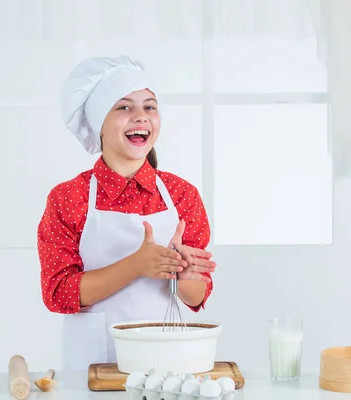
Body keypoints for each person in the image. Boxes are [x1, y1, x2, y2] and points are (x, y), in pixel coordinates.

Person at [37, 55, 216, 371]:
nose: (140, 116)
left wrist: (185, 275)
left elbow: (195, 296)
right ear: (98, 124)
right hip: (93, 367)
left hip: (166, 364)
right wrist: (136, 265)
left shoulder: (182, 195)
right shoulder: (68, 198)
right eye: (123, 107)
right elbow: (58, 293)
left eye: (149, 106)